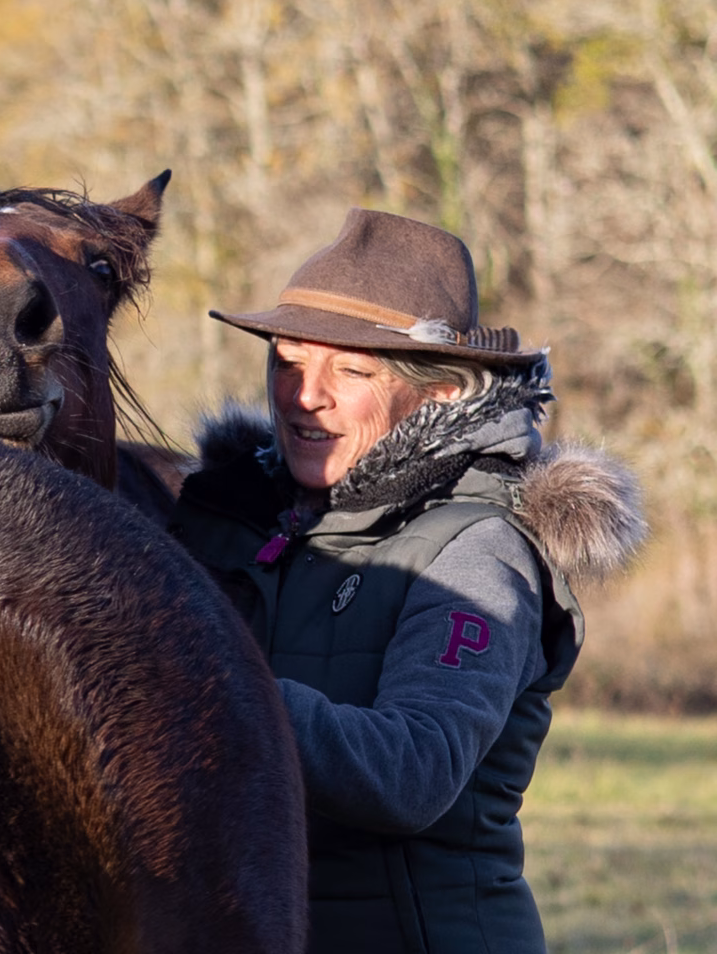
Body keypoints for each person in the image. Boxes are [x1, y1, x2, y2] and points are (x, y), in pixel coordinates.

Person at [169, 208, 645, 954]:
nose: (303, 396)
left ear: (442, 395)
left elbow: (411, 773)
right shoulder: (229, 522)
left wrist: (207, 682)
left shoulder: (476, 549)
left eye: (350, 371)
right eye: (287, 362)